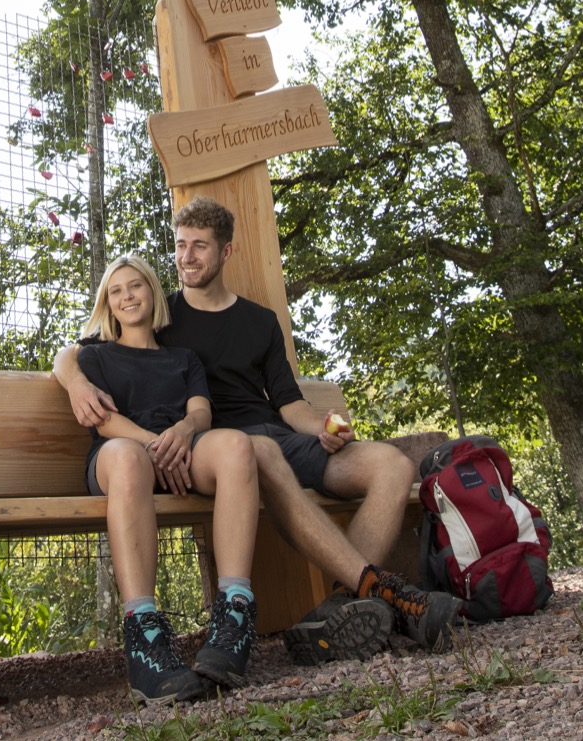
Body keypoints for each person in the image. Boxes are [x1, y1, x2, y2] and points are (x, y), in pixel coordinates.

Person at [55, 198, 459, 664]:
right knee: (259, 448)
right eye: (181, 245)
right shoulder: (160, 315)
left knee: (393, 464)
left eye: (199, 247)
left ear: (225, 253)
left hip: (273, 435)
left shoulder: (260, 321)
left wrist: (326, 428)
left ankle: (341, 611)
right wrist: (77, 381)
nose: (186, 257)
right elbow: (80, 349)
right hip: (223, 450)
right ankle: (382, 593)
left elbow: (290, 404)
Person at [76, 253, 262, 704]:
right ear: (107, 303)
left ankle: (233, 616)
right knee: (127, 457)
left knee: (238, 446)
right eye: (116, 290)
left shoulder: (183, 358)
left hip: (178, 454)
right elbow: (104, 423)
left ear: (152, 292)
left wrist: (180, 431)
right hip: (119, 458)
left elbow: (200, 411)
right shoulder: (95, 356)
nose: (127, 296)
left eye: (135, 286)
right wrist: (151, 443)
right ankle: (144, 637)